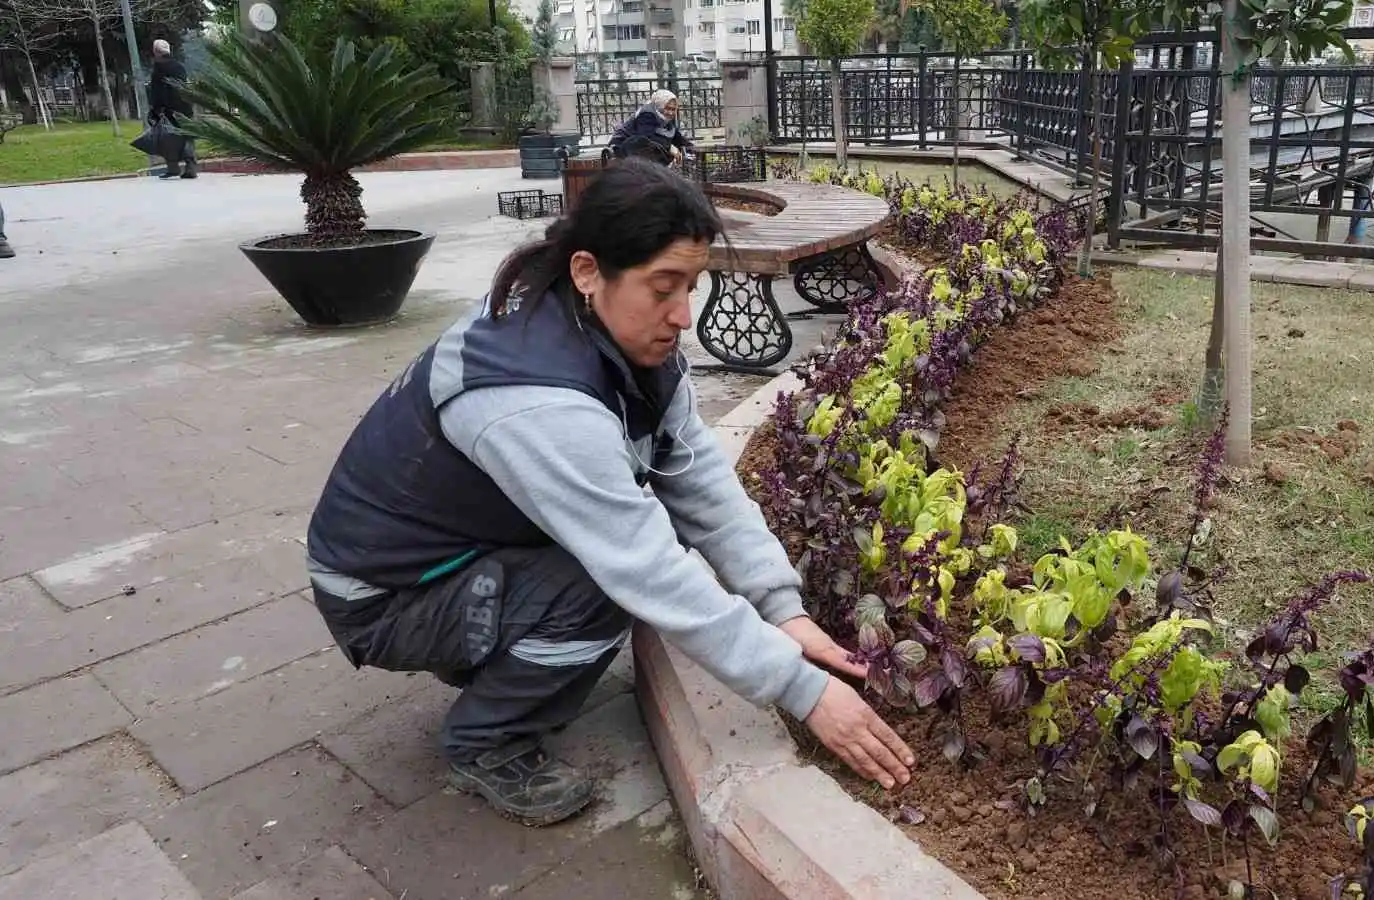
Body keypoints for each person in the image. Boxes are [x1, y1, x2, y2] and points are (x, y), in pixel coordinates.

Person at [304, 159, 914, 827]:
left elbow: (699, 479)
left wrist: (781, 606)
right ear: (589, 270)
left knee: (644, 543)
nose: (684, 315)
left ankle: (501, 649)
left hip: (453, 557)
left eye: (692, 285)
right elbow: (644, 568)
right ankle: (486, 739)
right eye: (663, 288)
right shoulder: (533, 401)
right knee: (599, 589)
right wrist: (806, 691)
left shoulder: (603, 331)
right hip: (383, 597)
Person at [147, 39, 198, 180]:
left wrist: (156, 109)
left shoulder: (158, 68)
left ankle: (173, 167)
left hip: (168, 108)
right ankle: (190, 166)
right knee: (187, 136)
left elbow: (157, 91)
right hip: (185, 107)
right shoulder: (179, 66)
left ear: (157, 52)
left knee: (168, 137)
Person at [607, 89, 694, 166]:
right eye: (667, 108)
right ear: (660, 105)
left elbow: (676, 136)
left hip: (640, 153)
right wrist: (671, 147)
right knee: (648, 144)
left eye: (673, 109)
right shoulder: (647, 114)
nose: (671, 113)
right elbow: (648, 137)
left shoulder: (664, 118)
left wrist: (691, 148)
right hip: (622, 147)